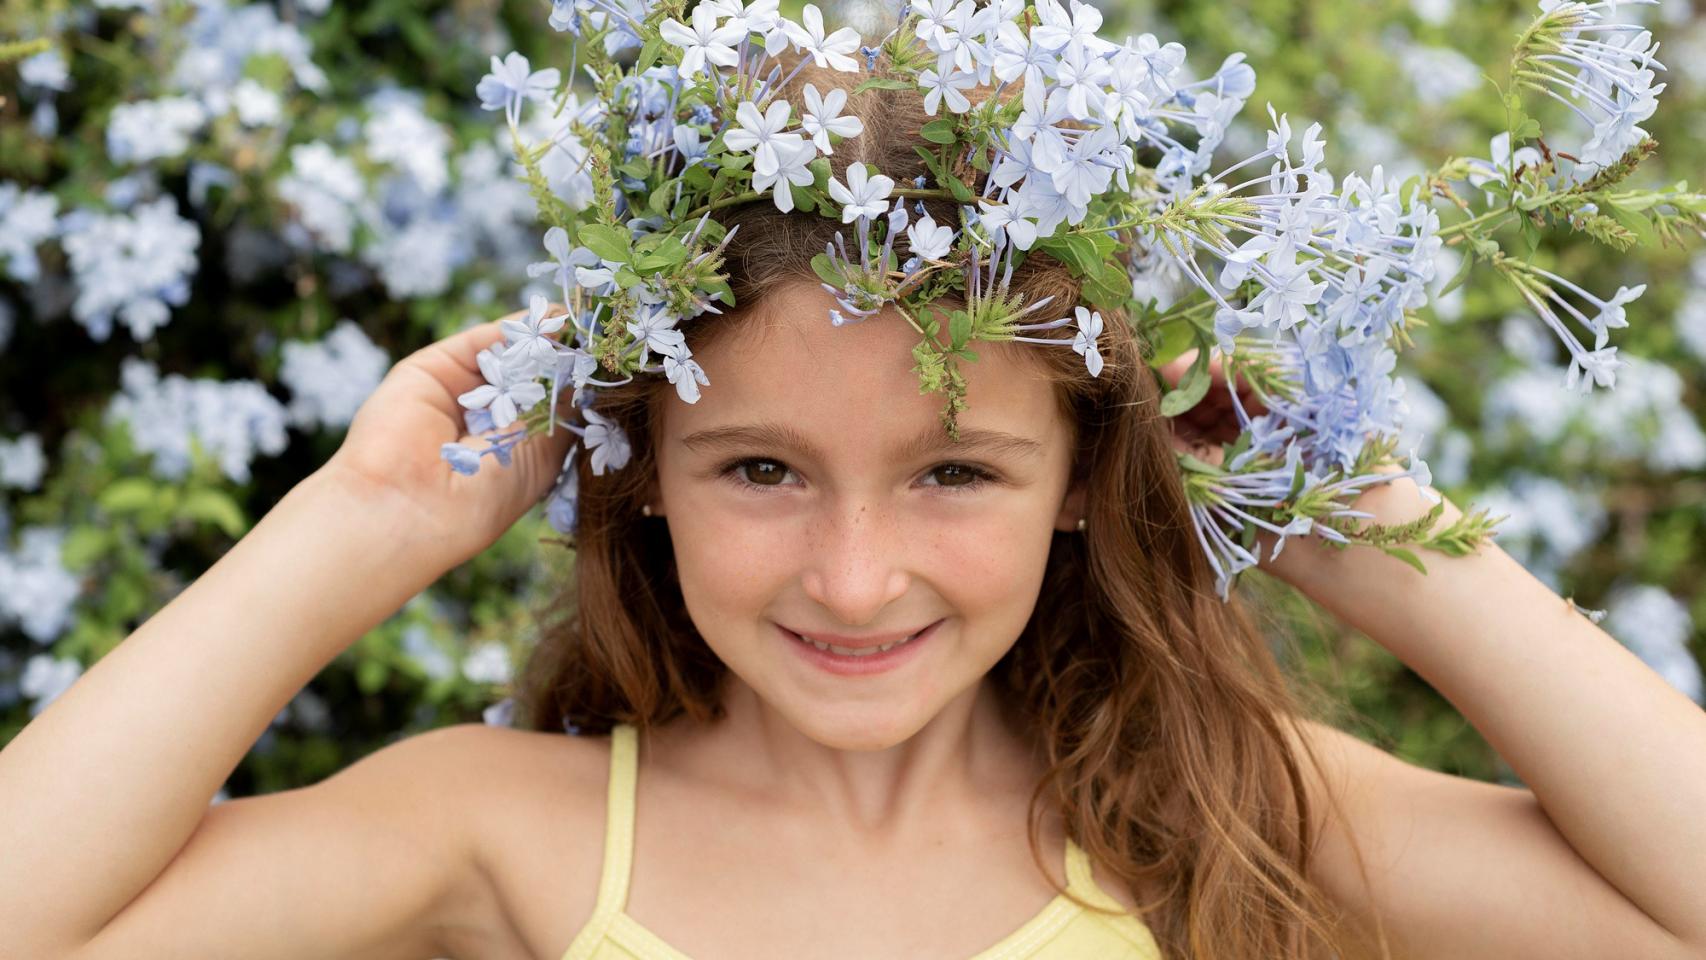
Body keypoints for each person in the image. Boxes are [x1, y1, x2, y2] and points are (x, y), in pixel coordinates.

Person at [4, 69, 1706, 960]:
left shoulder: (1228, 816)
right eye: (757, 468)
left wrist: (1344, 515)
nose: (853, 572)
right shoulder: (505, 832)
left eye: (955, 470)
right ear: (642, 474)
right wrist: (365, 520)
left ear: (1081, 486)